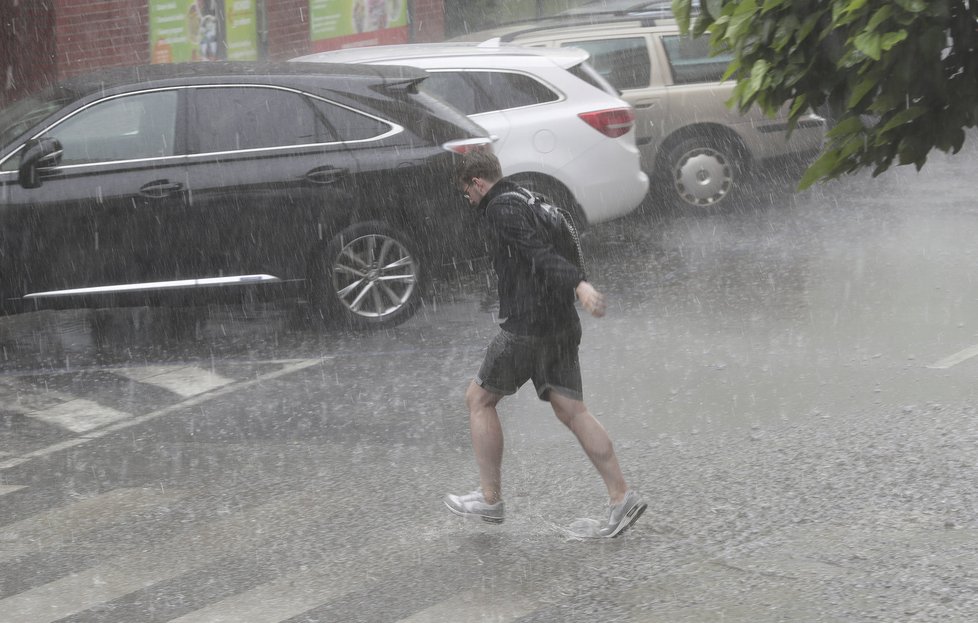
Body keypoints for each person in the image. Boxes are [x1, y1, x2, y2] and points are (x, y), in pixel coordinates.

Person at [443, 150, 646, 538]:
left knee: (479, 400)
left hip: (528, 327)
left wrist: (578, 284)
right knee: (573, 411)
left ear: (478, 183)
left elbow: (539, 254)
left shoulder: (502, 209)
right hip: (560, 323)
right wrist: (575, 285)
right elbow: (566, 240)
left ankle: (489, 501)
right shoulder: (530, 197)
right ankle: (621, 496)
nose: (467, 200)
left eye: (466, 192)